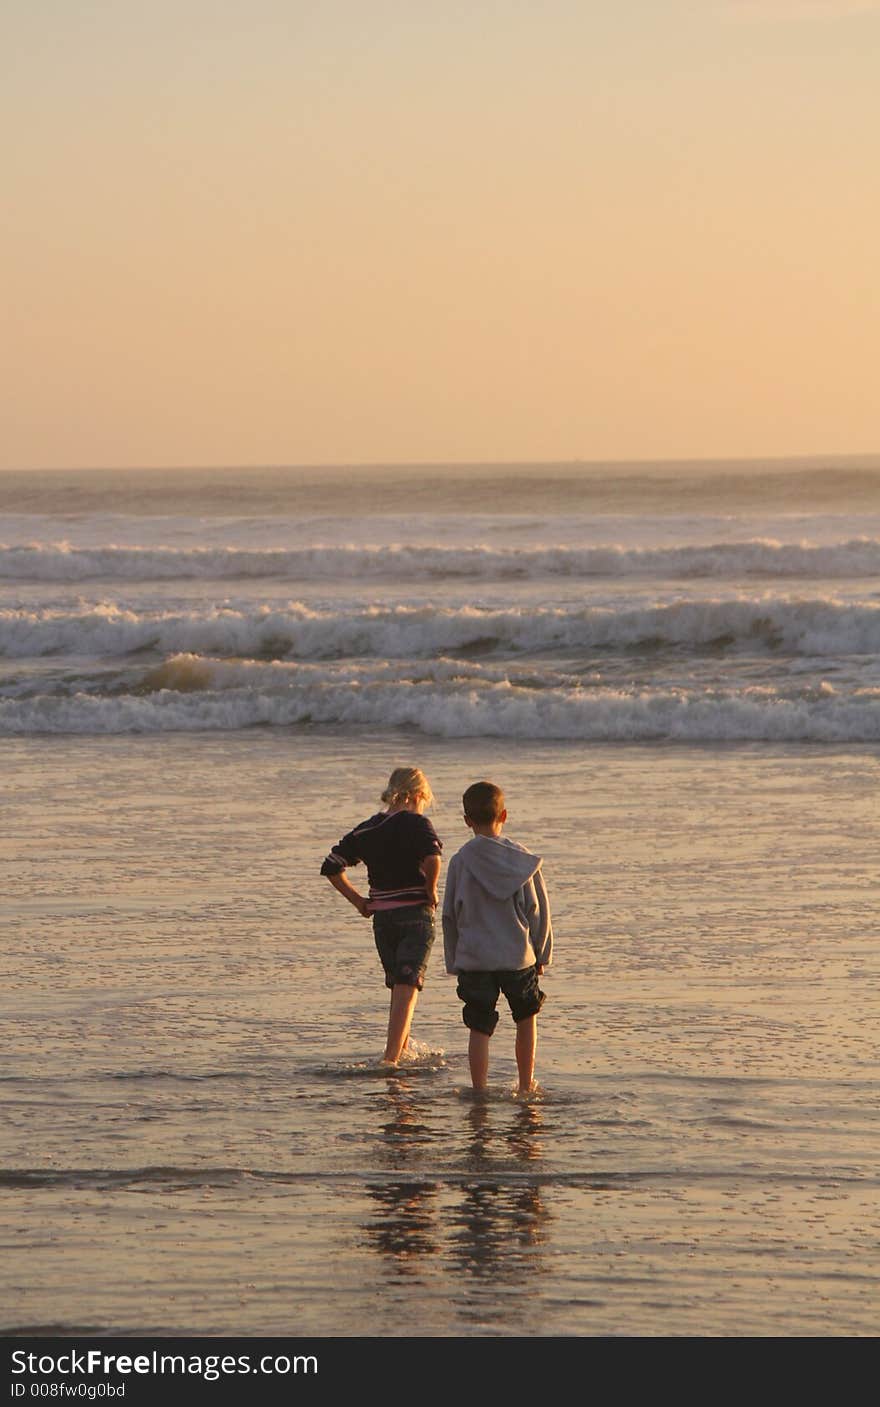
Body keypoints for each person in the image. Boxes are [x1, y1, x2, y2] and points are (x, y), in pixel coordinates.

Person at [321, 766, 442, 1066]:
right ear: (417, 795)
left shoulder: (367, 829)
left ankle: (399, 1050)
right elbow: (432, 858)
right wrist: (431, 889)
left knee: (399, 986)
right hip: (415, 913)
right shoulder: (417, 823)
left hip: (383, 920)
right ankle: (391, 1058)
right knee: (407, 985)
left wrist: (359, 902)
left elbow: (332, 865)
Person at [442, 780, 552, 1095]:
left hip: (475, 958)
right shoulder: (522, 860)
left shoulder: (460, 862)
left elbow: (450, 914)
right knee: (526, 1017)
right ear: (504, 815)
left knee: (479, 1026)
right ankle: (525, 1083)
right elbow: (537, 910)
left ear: (467, 821)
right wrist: (542, 954)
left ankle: (479, 1089)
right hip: (517, 956)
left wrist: (454, 960)